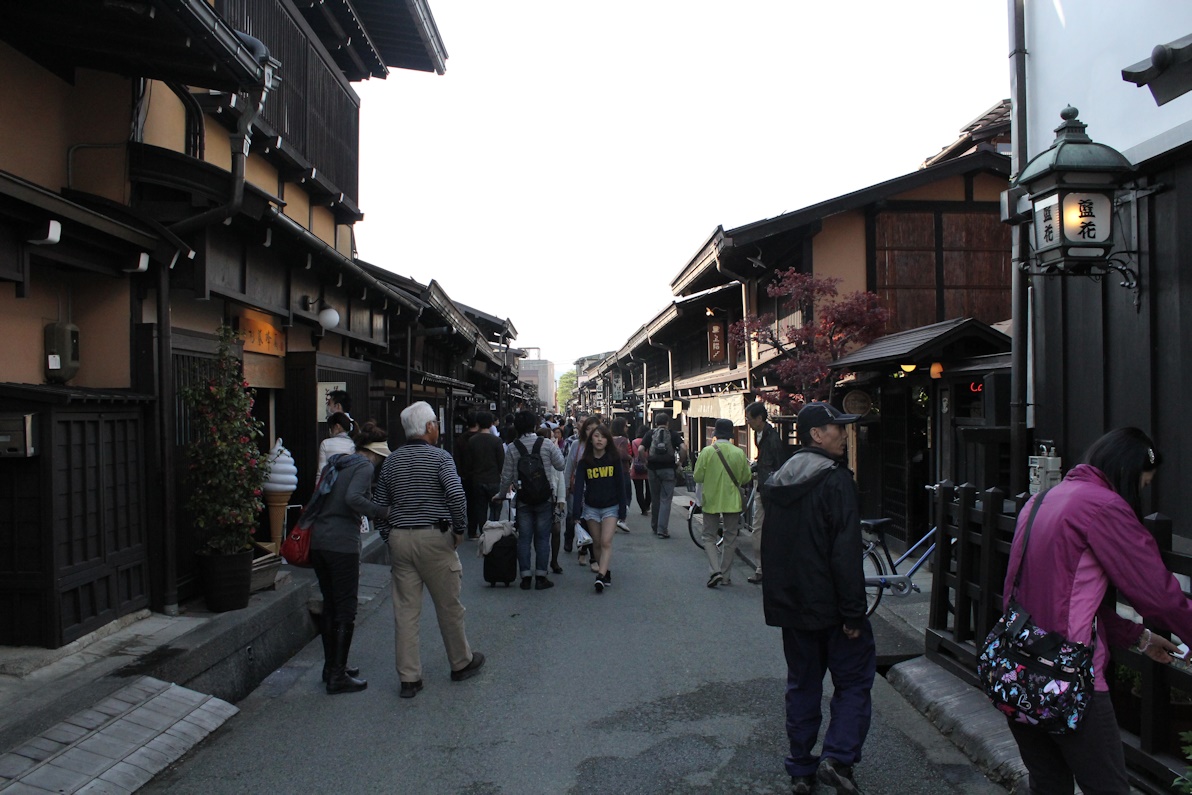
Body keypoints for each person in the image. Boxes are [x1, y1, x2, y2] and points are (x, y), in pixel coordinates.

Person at [1002, 427, 1192, 795]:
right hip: (1069, 679)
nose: (1141, 493)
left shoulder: (1041, 501)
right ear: (1129, 471)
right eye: (1143, 483)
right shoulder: (1103, 507)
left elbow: (1054, 599)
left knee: (1048, 785)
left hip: (1016, 670)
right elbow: (1160, 596)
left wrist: (1138, 637)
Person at [762, 402, 871, 795]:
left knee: (802, 683)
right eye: (835, 428)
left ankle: (801, 769)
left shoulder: (779, 481)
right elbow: (845, 552)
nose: (843, 434)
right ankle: (837, 758)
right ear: (816, 435)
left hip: (793, 605)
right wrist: (853, 613)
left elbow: (771, 548)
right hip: (832, 605)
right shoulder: (835, 480)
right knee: (854, 680)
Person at [374, 401, 485, 699]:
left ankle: (409, 678)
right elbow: (456, 494)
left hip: (400, 538)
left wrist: (388, 535)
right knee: (449, 606)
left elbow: (380, 505)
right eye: (435, 422)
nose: (437, 427)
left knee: (405, 611)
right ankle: (460, 662)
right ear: (428, 427)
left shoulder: (391, 461)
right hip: (435, 537)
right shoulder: (440, 458)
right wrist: (459, 529)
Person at [304, 421, 392, 694]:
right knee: (345, 608)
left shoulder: (337, 463)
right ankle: (337, 675)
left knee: (330, 605)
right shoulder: (364, 466)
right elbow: (354, 498)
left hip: (319, 541)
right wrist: (381, 511)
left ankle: (331, 666)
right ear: (375, 452)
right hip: (341, 543)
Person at [497, 411, 565, 590]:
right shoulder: (546, 444)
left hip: (523, 498)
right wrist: (554, 447)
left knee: (524, 538)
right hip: (544, 498)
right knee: (542, 538)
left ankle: (525, 577)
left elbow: (506, 476)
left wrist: (501, 495)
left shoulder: (513, 448)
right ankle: (541, 577)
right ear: (535, 425)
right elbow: (561, 465)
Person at [692, 418, 752, 588]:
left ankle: (715, 570)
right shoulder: (739, 453)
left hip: (711, 499)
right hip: (732, 501)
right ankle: (725, 576)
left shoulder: (707, 452)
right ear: (731, 434)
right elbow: (746, 478)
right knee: (730, 537)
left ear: (715, 434)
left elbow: (697, 476)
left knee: (708, 536)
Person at [572, 424, 628, 593]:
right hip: (591, 508)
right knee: (596, 543)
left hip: (611, 506)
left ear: (608, 441)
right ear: (590, 439)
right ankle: (606, 571)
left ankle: (600, 576)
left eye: (603, 437)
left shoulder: (614, 459)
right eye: (596, 436)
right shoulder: (584, 462)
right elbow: (578, 487)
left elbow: (621, 485)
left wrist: (623, 509)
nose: (599, 440)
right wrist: (576, 512)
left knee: (605, 541)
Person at [745, 401, 790, 585]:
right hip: (763, 485)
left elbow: (779, 464)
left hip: (769, 488)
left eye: (749, 419)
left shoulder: (772, 438)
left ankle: (765, 568)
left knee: (762, 529)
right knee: (760, 528)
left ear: (759, 418)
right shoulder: (760, 434)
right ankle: (762, 568)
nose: (747, 422)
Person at [564, 415, 601, 561]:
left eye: (594, 429)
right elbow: (569, 467)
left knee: (589, 519)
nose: (591, 432)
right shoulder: (576, 445)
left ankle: (585, 550)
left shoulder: (601, 446)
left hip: (595, 489)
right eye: (588, 429)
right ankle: (571, 538)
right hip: (577, 488)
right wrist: (566, 487)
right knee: (574, 515)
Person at [642, 412, 683, 538]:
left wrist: (645, 462)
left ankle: (655, 526)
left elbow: (640, 449)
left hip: (653, 470)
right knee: (666, 500)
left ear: (655, 423)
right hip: (669, 470)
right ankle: (662, 529)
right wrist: (680, 463)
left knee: (655, 499)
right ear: (667, 423)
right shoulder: (673, 434)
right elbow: (684, 448)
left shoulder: (650, 434)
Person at [465, 411, 505, 539]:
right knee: (495, 507)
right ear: (491, 423)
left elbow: (469, 463)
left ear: (478, 423)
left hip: (477, 479)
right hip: (494, 479)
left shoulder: (472, 441)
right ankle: (493, 530)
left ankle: (484, 532)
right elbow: (501, 463)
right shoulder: (497, 441)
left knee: (480, 509)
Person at [316, 412, 355, 483]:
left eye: (331, 428)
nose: (330, 431)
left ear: (337, 426)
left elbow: (321, 471)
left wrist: (318, 486)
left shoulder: (325, 443)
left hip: (329, 485)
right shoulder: (353, 444)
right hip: (348, 484)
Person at [610, 418, 633, 532]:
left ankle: (613, 520)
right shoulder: (623, 440)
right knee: (626, 494)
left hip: (610, 470)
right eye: (625, 426)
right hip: (623, 469)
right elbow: (623, 454)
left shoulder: (609, 439)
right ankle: (621, 518)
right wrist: (630, 457)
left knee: (614, 495)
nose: (627, 428)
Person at [629, 424, 651, 515]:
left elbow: (631, 455)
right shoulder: (650, 441)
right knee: (650, 489)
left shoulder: (634, 442)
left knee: (639, 490)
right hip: (648, 466)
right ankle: (647, 505)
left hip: (636, 467)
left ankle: (643, 509)